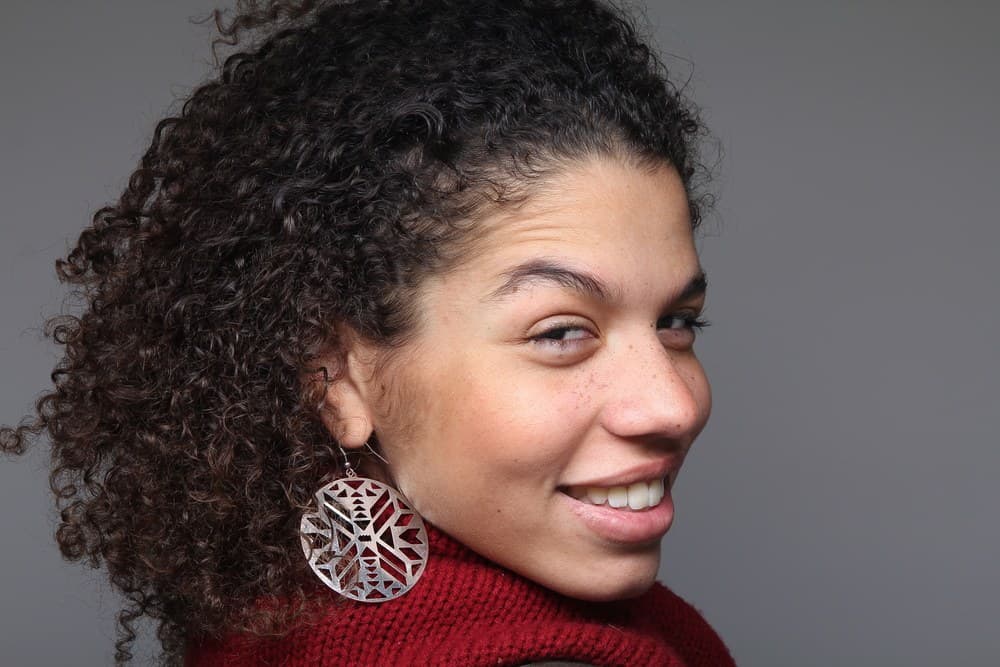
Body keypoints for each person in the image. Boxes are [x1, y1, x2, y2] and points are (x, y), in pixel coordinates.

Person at [1, 0, 734, 664]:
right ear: (338, 378)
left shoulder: (276, 622)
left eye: (676, 322)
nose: (672, 405)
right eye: (560, 333)